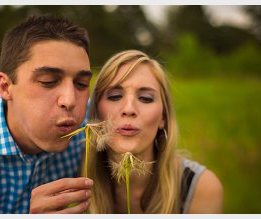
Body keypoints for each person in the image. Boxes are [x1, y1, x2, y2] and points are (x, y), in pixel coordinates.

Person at [0, 15, 94, 214]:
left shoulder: (88, 128)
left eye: (81, 84)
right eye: (48, 81)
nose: (70, 100)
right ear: (6, 87)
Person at [79, 50, 224, 213]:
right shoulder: (75, 177)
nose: (129, 109)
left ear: (163, 117)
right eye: (114, 96)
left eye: (146, 98)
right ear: (96, 112)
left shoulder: (200, 188)